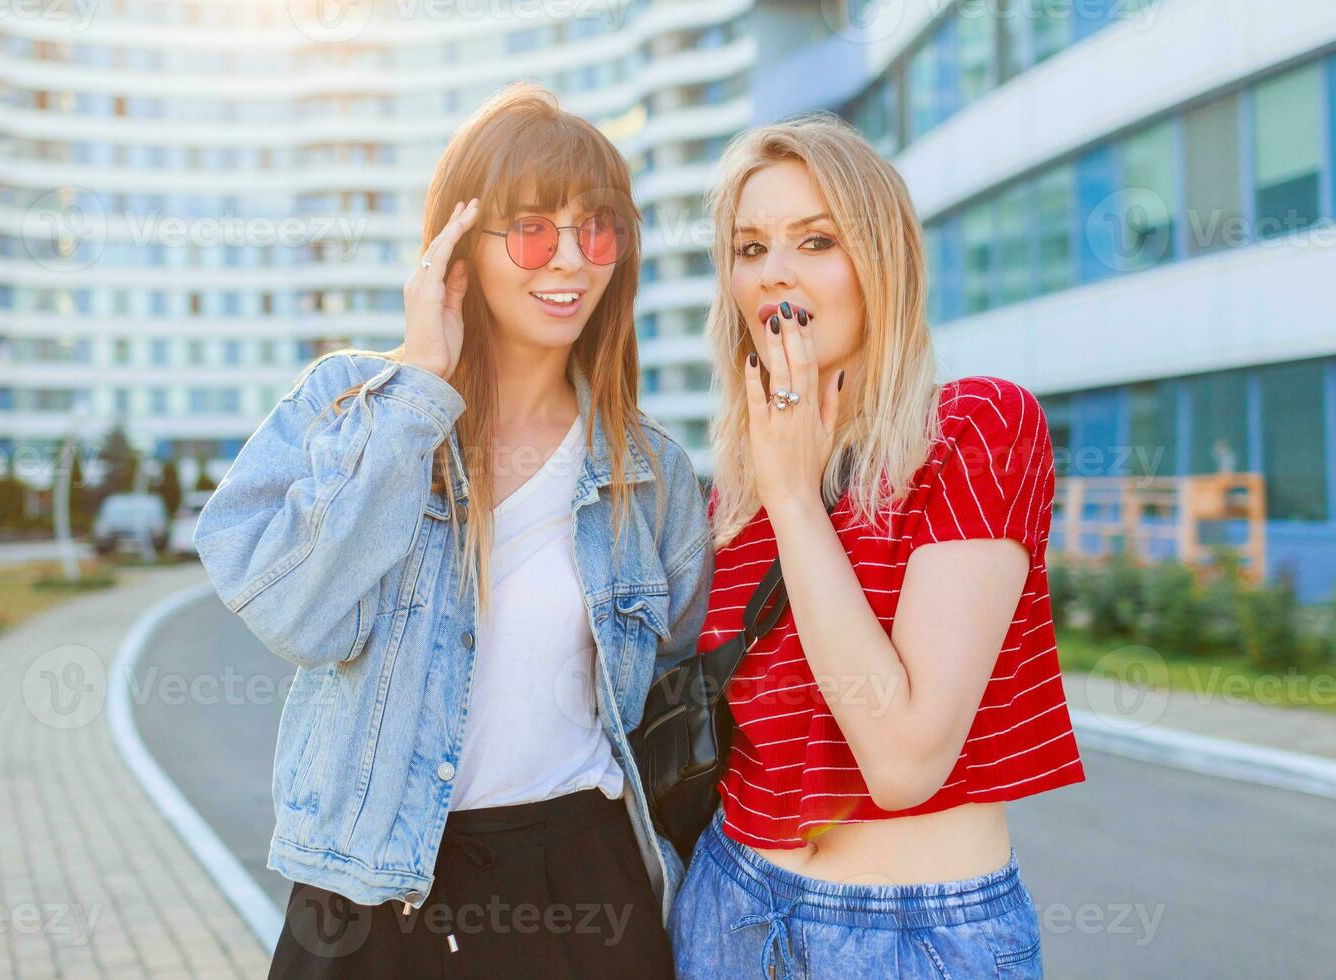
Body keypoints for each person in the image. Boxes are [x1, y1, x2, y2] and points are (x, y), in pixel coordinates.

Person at [194, 83, 712, 978]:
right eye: (532, 229)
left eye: (596, 228)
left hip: (581, 883)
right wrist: (419, 391)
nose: (571, 260)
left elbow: (668, 686)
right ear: (456, 247)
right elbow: (295, 614)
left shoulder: (650, 470)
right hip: (375, 896)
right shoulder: (352, 404)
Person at [667, 113, 1086, 979]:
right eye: (750, 249)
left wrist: (794, 498)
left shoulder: (979, 429)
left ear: (880, 265)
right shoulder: (729, 500)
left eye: (815, 241)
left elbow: (902, 760)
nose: (775, 273)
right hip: (728, 905)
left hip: (913, 934)